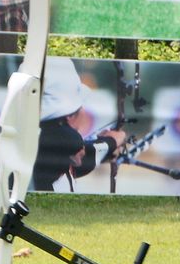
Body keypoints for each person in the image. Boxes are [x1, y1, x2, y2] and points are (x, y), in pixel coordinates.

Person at [32, 56, 127, 191]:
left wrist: (106, 148)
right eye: (78, 108)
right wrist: (112, 140)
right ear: (69, 115)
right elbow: (73, 145)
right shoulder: (63, 141)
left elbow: (82, 159)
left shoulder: (51, 153)